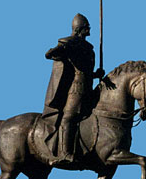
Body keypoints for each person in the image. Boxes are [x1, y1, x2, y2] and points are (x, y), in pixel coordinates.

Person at [43, 13, 105, 164]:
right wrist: (58, 50)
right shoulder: (69, 42)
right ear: (80, 29)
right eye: (87, 28)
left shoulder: (89, 47)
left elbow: (86, 70)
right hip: (75, 88)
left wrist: (97, 74)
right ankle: (65, 153)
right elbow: (50, 54)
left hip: (88, 86)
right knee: (69, 117)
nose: (89, 30)